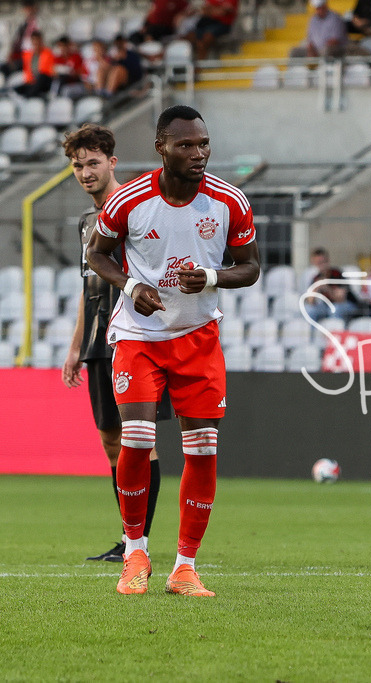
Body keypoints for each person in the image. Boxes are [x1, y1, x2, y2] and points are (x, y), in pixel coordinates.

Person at [86, 104, 260, 596]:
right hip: (140, 337)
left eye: (203, 144)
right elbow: (95, 252)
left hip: (199, 337)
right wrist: (129, 286)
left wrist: (212, 276)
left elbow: (250, 267)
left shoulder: (229, 202)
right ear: (161, 147)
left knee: (202, 451)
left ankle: (184, 567)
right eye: (186, 145)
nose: (198, 153)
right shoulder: (129, 200)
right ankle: (135, 552)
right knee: (137, 439)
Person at [61, 124, 170, 564]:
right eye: (77, 166)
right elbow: (89, 288)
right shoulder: (88, 222)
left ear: (112, 162)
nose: (85, 173)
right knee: (111, 441)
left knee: (140, 439)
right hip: (97, 344)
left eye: (93, 163)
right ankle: (128, 538)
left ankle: (138, 544)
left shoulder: (139, 210)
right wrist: (75, 347)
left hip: (134, 338)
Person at [1, 0, 40, 78]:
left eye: (30, 8)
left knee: (10, 68)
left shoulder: (38, 23)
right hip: (19, 54)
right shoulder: (23, 23)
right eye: (26, 9)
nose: (28, 11)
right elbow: (17, 41)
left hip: (31, 56)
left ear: (34, 8)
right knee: (3, 66)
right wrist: (11, 54)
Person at [14, 30, 54, 98]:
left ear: (41, 41)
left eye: (37, 40)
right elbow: (27, 71)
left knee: (42, 76)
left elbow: (49, 71)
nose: (36, 43)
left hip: (44, 81)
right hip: (33, 82)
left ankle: (28, 96)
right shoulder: (28, 55)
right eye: (34, 40)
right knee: (18, 88)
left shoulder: (48, 53)